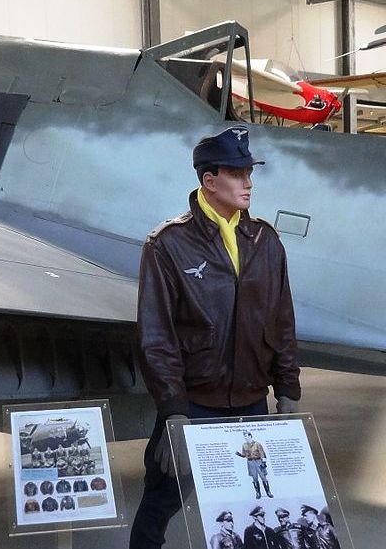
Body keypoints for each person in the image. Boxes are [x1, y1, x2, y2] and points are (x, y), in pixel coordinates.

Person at [129, 125, 301, 549]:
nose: (248, 182)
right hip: (194, 404)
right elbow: (157, 336)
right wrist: (173, 411)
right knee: (162, 499)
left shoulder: (265, 241)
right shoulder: (168, 245)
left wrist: (288, 389)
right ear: (209, 180)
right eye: (237, 173)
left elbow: (281, 320)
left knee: (253, 506)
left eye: (249, 172)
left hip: (251, 402)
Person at [235, 431, 272, 498]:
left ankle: (268, 492)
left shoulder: (257, 444)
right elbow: (244, 455)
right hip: (250, 463)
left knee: (263, 477)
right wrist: (239, 454)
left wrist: (263, 463)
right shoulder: (244, 445)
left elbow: (262, 453)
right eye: (244, 436)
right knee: (254, 478)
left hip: (258, 461)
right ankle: (258, 493)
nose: (245, 437)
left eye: (246, 436)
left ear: (250, 436)